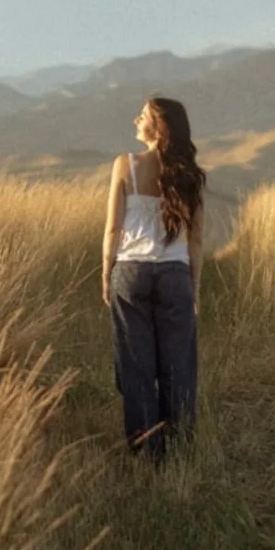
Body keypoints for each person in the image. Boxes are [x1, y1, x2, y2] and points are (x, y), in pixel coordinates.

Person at [101, 96, 206, 460]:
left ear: (158, 127)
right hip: (175, 274)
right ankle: (179, 447)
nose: (136, 119)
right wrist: (194, 287)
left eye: (143, 115)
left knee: (136, 365)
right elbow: (196, 239)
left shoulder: (124, 165)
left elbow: (113, 228)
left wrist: (106, 273)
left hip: (130, 272)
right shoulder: (190, 174)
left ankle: (148, 450)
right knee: (178, 364)